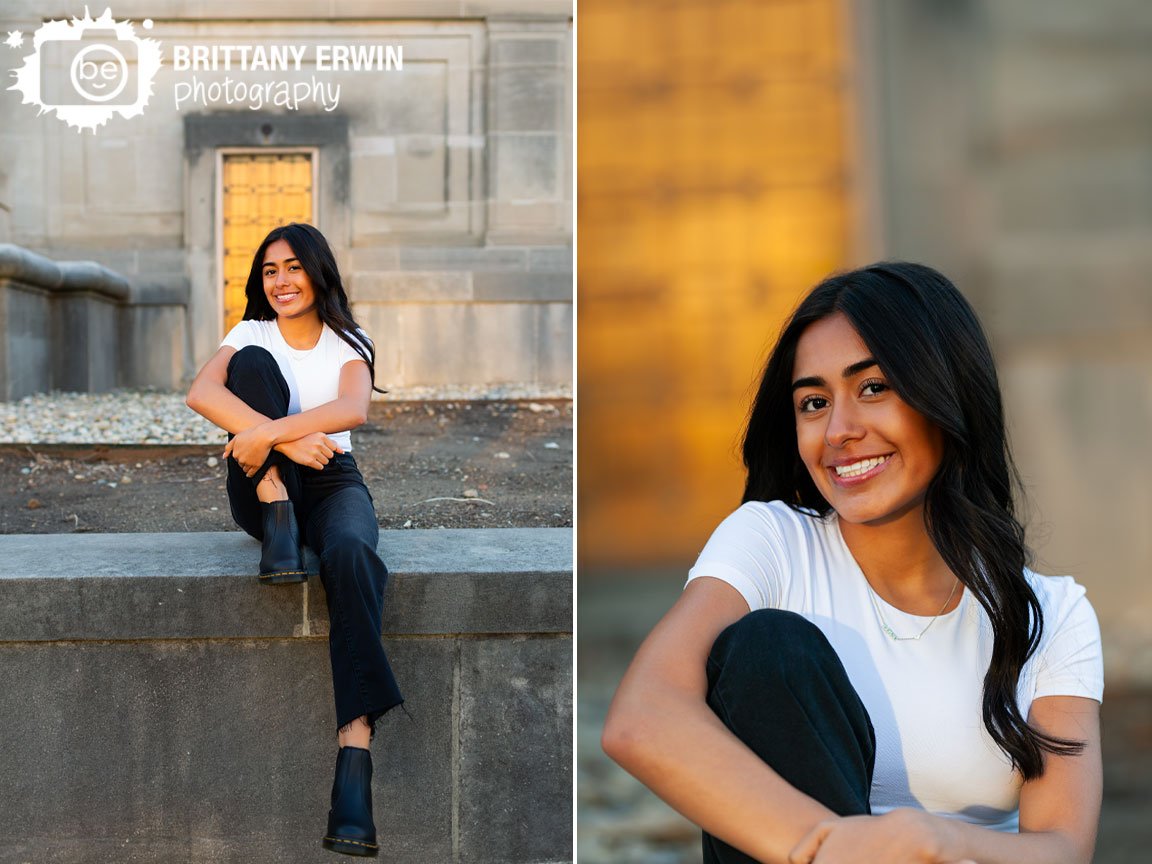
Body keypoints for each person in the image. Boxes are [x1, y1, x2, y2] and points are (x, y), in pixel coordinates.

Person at [602, 262, 1104, 864]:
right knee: (769, 648)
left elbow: (1063, 848)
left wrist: (932, 840)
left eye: (873, 388)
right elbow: (642, 718)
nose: (838, 431)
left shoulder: (1051, 614)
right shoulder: (774, 543)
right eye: (814, 402)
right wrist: (832, 847)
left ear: (946, 396)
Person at [186, 222, 401, 858]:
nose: (280, 281)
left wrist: (267, 432)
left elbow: (353, 410)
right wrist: (277, 448)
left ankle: (354, 763)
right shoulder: (248, 335)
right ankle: (277, 512)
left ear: (317, 271)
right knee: (251, 368)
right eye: (270, 271)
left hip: (334, 480)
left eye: (292, 268)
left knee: (353, 553)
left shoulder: (347, 340)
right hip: (260, 485)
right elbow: (203, 393)